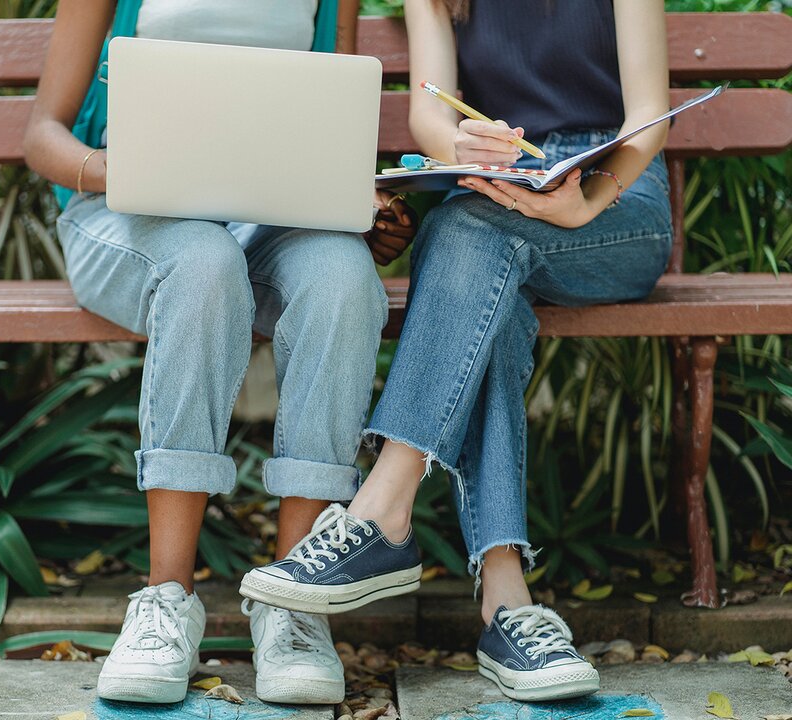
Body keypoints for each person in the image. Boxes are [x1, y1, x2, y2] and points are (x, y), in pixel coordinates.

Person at [243, 0, 673, 702]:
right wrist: (461, 148)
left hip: (616, 199)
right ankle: (508, 605)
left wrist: (585, 201)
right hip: (502, 184)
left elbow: (649, 114)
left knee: (466, 235)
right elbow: (430, 114)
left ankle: (383, 507)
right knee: (481, 265)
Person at [23, 0, 416, 706]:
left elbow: (331, 136)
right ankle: (164, 600)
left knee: (345, 280)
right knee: (202, 265)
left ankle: (295, 605)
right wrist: (125, 171)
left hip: (270, 218)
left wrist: (363, 211)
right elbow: (42, 137)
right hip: (125, 215)